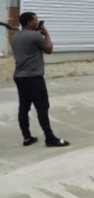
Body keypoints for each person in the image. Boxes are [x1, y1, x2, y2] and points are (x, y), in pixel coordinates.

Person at [11, 12, 69, 147]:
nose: (37, 23)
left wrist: (37, 33)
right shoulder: (35, 36)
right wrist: (46, 34)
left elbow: (29, 46)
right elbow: (49, 49)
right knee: (42, 107)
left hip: (20, 77)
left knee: (24, 107)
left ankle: (27, 137)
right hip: (33, 77)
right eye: (35, 20)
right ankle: (50, 138)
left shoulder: (15, 37)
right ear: (29, 22)